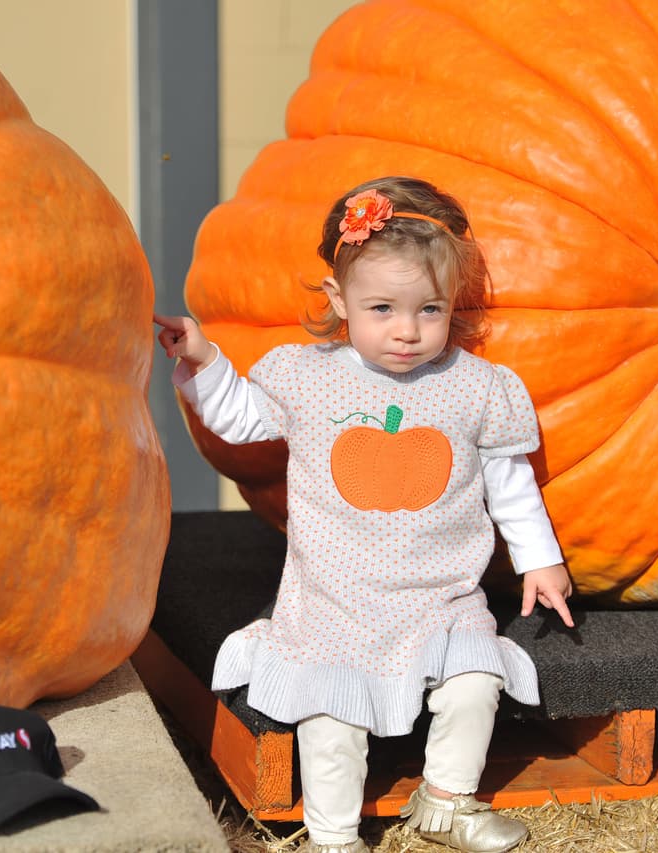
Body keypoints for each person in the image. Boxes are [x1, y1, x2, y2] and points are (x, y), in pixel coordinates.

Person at [155, 175, 574, 853]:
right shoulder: (307, 375)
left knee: (475, 684)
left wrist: (540, 558)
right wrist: (204, 359)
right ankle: (333, 836)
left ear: (451, 305)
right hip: (334, 603)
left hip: (442, 597)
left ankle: (445, 802)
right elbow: (237, 418)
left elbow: (509, 481)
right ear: (338, 300)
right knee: (330, 721)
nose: (407, 331)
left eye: (429, 310)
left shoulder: (475, 386)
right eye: (382, 308)